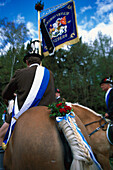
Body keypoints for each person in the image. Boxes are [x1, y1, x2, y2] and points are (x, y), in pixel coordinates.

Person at [0, 42, 56, 140]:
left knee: (3, 132)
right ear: (39, 62)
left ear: (27, 62)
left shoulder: (20, 73)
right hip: (49, 115)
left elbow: (5, 94)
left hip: (25, 114)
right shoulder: (49, 74)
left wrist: (14, 96)